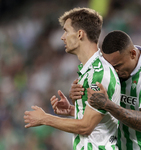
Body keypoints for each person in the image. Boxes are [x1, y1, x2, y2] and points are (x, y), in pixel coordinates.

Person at [24, 8, 121, 150]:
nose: (62, 37)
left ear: (80, 34)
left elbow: (86, 126)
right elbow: (101, 117)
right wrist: (72, 110)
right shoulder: (88, 71)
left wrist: (45, 118)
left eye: (66, 31)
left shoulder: (99, 73)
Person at [70, 30, 141, 150]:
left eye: (118, 66)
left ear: (133, 54)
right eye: (110, 67)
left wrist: (107, 104)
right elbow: (107, 112)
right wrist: (76, 104)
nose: (114, 71)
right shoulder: (110, 74)